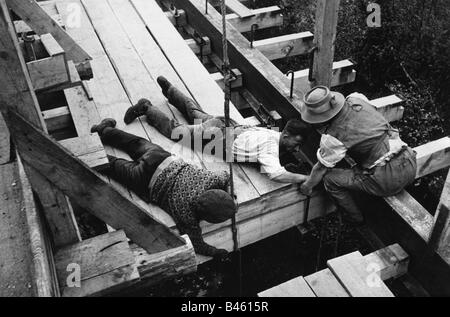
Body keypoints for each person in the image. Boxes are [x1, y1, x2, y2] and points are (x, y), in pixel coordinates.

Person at [122, 76, 310, 183]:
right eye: (297, 143)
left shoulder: (274, 132)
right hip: (220, 139)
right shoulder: (269, 147)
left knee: (196, 113)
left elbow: (272, 156)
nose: (297, 149)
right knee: (177, 132)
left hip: (228, 125)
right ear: (286, 134)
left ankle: (171, 91)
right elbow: (275, 174)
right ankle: (146, 108)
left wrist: (286, 160)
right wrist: (303, 179)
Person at [90, 119, 236, 257]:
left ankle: (105, 130)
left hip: (160, 158)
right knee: (113, 165)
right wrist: (216, 252)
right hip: (145, 180)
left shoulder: (210, 179)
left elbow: (226, 176)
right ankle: (90, 153)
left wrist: (231, 196)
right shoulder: (187, 215)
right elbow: (197, 245)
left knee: (133, 142)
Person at [298, 86, 417, 224]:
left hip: (387, 180)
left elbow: (320, 168)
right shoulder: (356, 98)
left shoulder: (332, 138)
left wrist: (307, 186)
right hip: (410, 161)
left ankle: (355, 219)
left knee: (330, 179)